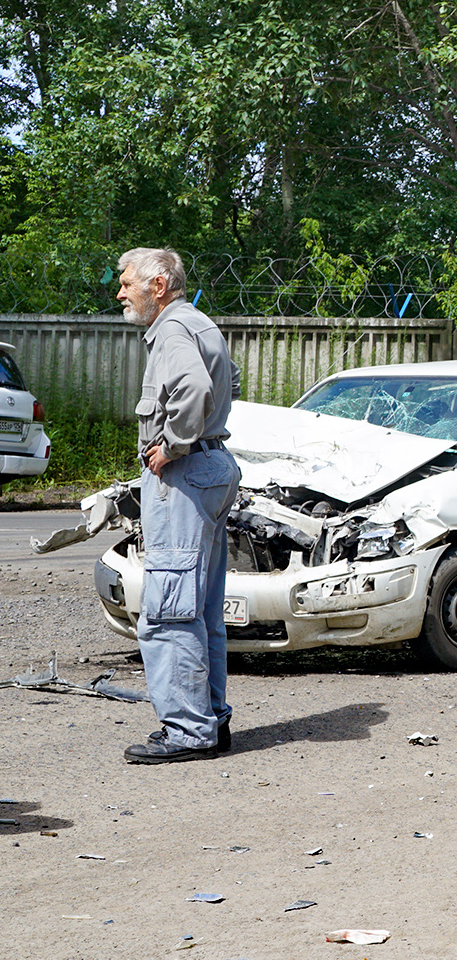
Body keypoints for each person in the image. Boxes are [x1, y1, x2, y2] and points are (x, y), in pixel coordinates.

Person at [116, 247, 242, 764]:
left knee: (169, 609)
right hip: (213, 469)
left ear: (159, 285)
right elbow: (229, 381)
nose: (120, 292)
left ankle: (189, 732)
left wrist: (173, 444)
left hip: (185, 476)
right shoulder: (198, 322)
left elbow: (193, 386)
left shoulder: (170, 330)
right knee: (203, 608)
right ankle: (210, 721)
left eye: (127, 284)